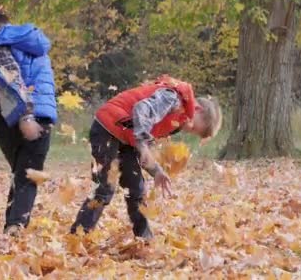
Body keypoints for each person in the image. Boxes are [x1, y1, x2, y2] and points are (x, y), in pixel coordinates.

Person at [70, 75, 221, 239]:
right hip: (106, 128)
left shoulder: (176, 121)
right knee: (106, 186)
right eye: (193, 128)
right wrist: (142, 145)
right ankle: (77, 236)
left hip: (127, 139)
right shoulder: (173, 98)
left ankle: (144, 239)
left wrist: (157, 172)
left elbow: (144, 144)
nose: (188, 129)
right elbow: (141, 110)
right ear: (197, 109)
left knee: (137, 189)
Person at [0, 0, 57, 235]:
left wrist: (26, 116)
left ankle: (14, 227)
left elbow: (13, 77)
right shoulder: (33, 41)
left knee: (25, 174)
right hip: (40, 111)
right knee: (24, 173)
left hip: (18, 114)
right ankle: (13, 227)